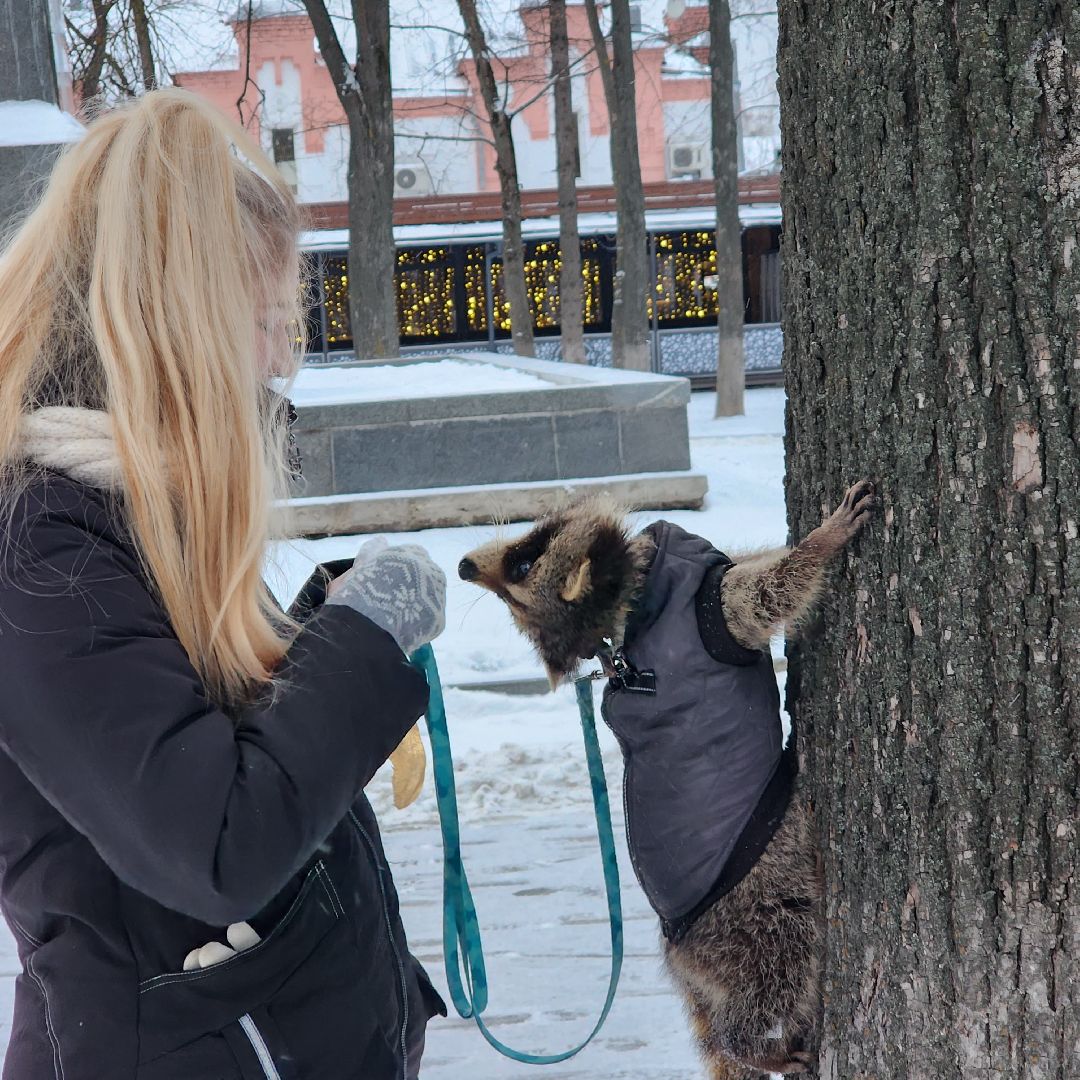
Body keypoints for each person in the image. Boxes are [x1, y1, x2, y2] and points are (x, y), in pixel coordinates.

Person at [0, 89, 448, 1079]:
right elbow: (212, 844)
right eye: (266, 322)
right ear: (177, 326)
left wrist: (322, 631)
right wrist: (364, 643)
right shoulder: (39, 546)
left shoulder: (122, 499)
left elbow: (179, 721)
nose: (280, 361)